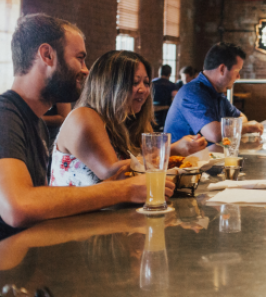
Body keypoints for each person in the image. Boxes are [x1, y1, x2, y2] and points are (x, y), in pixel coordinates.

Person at [0, 14, 174, 241]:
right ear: (47, 55)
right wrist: (126, 189)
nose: (85, 70)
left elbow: (42, 203)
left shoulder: (35, 122)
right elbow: (18, 208)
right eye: (80, 58)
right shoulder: (6, 116)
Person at [51, 51, 206, 187]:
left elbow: (150, 172)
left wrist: (177, 152)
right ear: (109, 85)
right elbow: (114, 175)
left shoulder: (133, 121)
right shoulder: (83, 117)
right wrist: (172, 150)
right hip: (77, 220)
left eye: (146, 83)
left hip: (118, 216)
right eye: (134, 82)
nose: (143, 89)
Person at [165, 43, 263, 143]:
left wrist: (231, 127)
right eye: (237, 71)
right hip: (183, 158)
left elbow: (242, 118)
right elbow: (214, 134)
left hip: (206, 156)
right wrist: (248, 127)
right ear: (222, 69)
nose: (238, 77)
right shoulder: (192, 92)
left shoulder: (217, 93)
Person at [152, 64, 175, 130]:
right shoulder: (173, 86)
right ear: (169, 74)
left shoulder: (151, 83)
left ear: (159, 72)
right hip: (165, 118)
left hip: (151, 116)